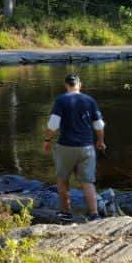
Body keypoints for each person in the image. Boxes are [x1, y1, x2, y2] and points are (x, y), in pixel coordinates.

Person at [42, 74, 106, 223]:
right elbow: (99, 125)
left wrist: (47, 140)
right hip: (87, 146)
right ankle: (94, 214)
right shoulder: (90, 100)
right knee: (88, 181)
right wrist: (100, 141)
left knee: (63, 179)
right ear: (80, 85)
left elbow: (53, 124)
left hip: (66, 146)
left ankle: (65, 213)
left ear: (66, 85)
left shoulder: (61, 100)